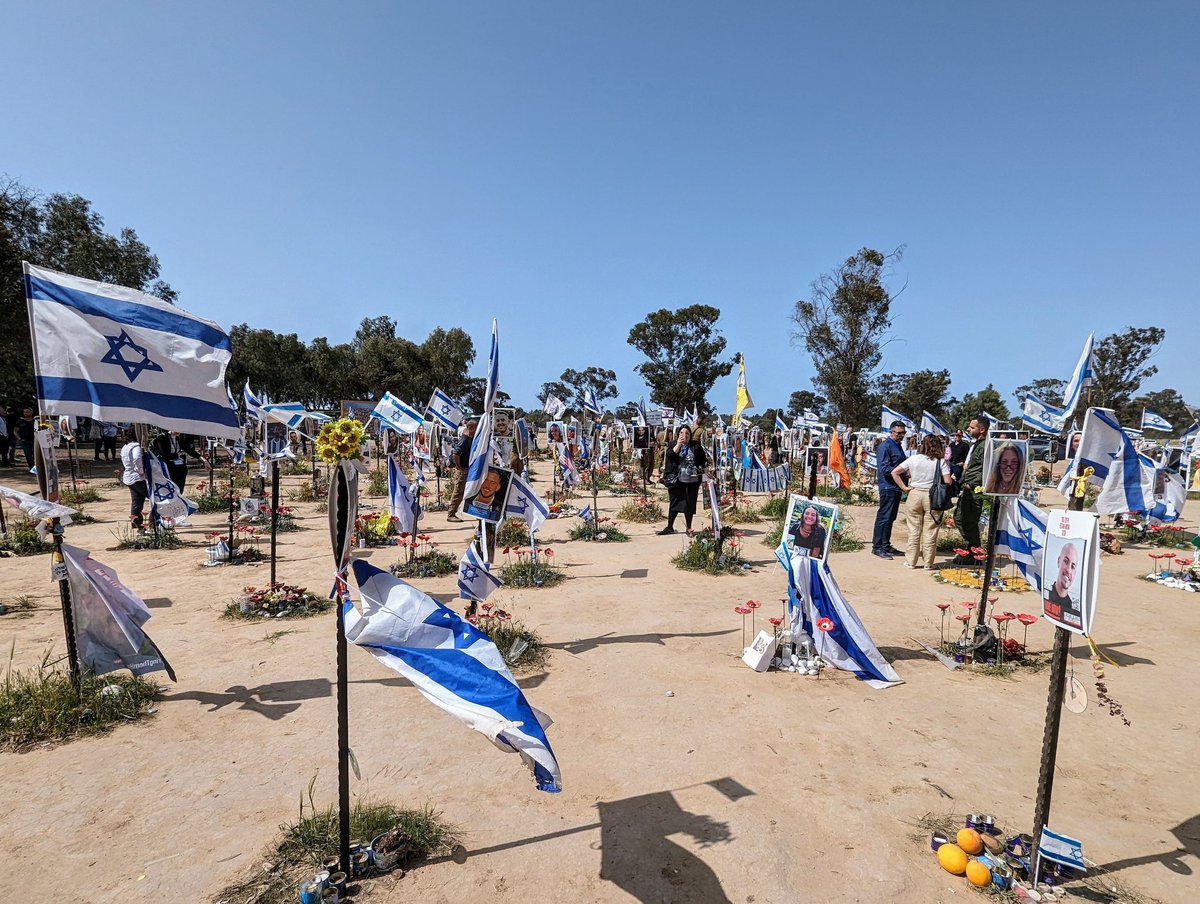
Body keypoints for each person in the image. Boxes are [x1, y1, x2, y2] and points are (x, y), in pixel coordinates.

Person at [891, 434, 956, 569]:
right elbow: (948, 481)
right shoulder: (940, 461)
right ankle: (928, 563)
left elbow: (895, 472)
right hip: (933, 497)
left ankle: (911, 561)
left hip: (914, 494)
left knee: (913, 530)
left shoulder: (913, 459)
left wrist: (904, 487)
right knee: (930, 530)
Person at [657, 425, 708, 536]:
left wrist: (707, 476)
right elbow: (671, 455)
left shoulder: (696, 446)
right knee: (674, 503)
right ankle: (670, 527)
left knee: (689, 505)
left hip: (692, 481)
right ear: (678, 434)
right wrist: (679, 444)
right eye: (681, 433)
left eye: (687, 433)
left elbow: (703, 460)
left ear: (690, 435)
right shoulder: (672, 444)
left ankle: (689, 528)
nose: (684, 435)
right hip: (676, 479)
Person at [953, 417, 990, 560]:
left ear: (982, 429)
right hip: (968, 488)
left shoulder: (985, 446)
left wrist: (973, 484)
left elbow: (983, 468)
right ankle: (972, 549)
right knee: (960, 518)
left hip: (974, 490)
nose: (968, 429)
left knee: (969, 522)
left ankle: (974, 554)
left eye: (971, 427)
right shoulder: (977, 444)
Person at [871, 421, 909, 559]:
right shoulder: (885, 446)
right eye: (899, 433)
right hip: (888, 486)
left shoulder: (897, 446)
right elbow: (885, 468)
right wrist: (902, 472)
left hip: (896, 487)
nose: (901, 436)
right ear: (891, 432)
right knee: (884, 517)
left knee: (890, 517)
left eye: (903, 433)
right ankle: (877, 546)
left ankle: (886, 545)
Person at [446, 419, 478, 522]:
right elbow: (456, 454)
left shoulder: (470, 437)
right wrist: (459, 467)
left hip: (468, 469)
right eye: (476, 427)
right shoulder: (464, 439)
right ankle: (451, 514)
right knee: (458, 492)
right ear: (471, 428)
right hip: (462, 470)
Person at [120, 431, 150, 530]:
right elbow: (137, 458)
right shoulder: (136, 446)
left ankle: (137, 524)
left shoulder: (126, 446)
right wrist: (140, 470)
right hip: (137, 477)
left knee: (137, 500)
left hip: (129, 477)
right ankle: (155, 522)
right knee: (154, 498)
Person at [1045, 542, 1079, 612]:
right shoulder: (1046, 594)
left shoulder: (1072, 606)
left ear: (1075, 573)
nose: (1069, 570)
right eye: (1066, 561)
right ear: (1058, 561)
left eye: (1073, 566)